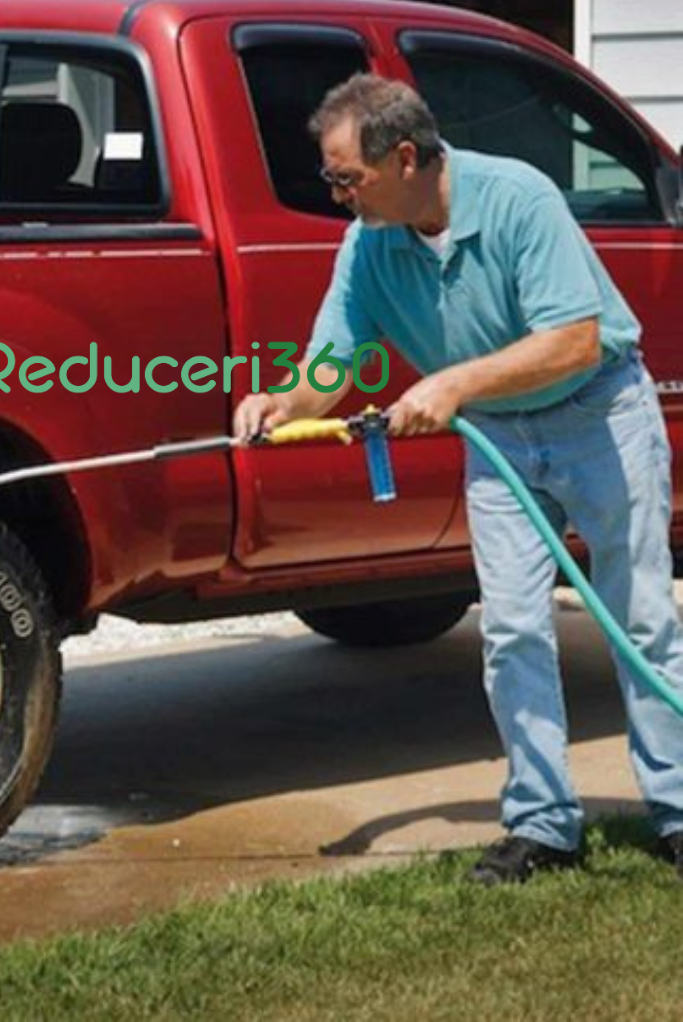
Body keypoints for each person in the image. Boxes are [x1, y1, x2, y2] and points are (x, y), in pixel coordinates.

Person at [233, 73, 683, 886]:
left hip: (598, 414)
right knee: (512, 630)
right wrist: (283, 401)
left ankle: (678, 809)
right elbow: (330, 365)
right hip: (501, 440)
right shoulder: (367, 245)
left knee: (639, 619)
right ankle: (543, 824)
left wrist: (450, 385)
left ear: (405, 157)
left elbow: (576, 341)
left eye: (345, 177)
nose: (335, 195)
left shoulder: (519, 200)